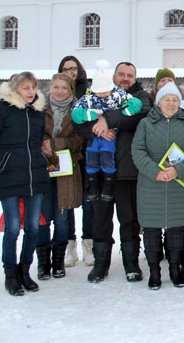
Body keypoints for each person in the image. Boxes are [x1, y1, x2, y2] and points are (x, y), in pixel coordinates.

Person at [71, 61, 152, 284]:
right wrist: (96, 128)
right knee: (101, 219)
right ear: (113, 76)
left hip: (128, 169)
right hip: (99, 171)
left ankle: (131, 263)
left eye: (130, 75)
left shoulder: (141, 96)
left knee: (129, 219)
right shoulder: (93, 95)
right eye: (121, 74)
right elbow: (78, 123)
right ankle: (101, 264)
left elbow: (141, 115)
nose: (125, 78)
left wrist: (107, 119)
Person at [0, 71, 49, 296]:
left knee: (32, 227)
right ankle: (10, 274)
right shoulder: (1, 112)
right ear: (15, 89)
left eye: (33, 87)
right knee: (11, 229)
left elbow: (38, 142)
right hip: (8, 177)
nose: (30, 92)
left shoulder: (38, 112)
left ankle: (24, 270)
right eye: (25, 88)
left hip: (34, 176)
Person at [132, 82, 184, 289]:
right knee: (151, 231)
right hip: (151, 185)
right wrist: (156, 171)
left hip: (177, 186)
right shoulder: (146, 124)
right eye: (166, 99)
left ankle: (174, 268)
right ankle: (154, 271)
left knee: (176, 231)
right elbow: (137, 151)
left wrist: (176, 171)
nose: (171, 104)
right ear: (158, 102)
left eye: (174, 100)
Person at [71, 61, 144, 203]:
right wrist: (91, 119)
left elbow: (137, 105)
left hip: (113, 141)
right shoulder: (89, 97)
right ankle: (93, 187)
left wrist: (125, 111)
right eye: (121, 74)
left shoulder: (119, 95)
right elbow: (75, 114)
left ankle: (107, 187)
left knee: (106, 157)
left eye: (130, 75)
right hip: (95, 137)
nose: (103, 94)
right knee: (91, 158)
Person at [36, 73, 84, 281]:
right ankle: (43, 263)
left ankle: (58, 262)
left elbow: (80, 138)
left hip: (66, 169)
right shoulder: (39, 107)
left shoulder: (79, 110)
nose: (60, 91)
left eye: (64, 88)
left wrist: (56, 144)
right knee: (43, 217)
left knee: (62, 218)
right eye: (56, 87)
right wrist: (43, 144)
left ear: (71, 90)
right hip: (42, 168)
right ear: (50, 88)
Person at [57, 55, 90, 266]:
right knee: (65, 202)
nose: (70, 71)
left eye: (73, 68)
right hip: (62, 156)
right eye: (66, 68)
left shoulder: (88, 91)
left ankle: (89, 244)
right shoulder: (57, 92)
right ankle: (69, 245)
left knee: (89, 201)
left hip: (85, 154)